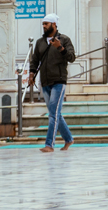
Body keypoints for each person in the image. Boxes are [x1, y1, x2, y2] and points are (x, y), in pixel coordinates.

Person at [25, 13, 76, 153]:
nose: (44, 26)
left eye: (46, 24)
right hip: (45, 81)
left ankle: (49, 145)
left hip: (59, 81)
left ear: (54, 24)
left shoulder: (64, 39)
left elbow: (72, 57)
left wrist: (60, 47)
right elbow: (35, 60)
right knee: (55, 113)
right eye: (43, 24)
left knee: (53, 114)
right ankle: (68, 139)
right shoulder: (40, 42)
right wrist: (31, 74)